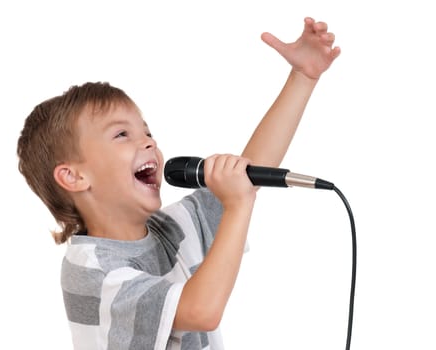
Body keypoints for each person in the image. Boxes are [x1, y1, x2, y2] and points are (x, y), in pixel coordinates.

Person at [17, 17, 340, 350]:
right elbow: (201, 312)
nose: (147, 142)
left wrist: (303, 77)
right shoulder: (92, 270)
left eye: (147, 132)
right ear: (74, 176)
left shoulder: (171, 228)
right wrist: (238, 203)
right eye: (122, 134)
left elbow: (252, 169)